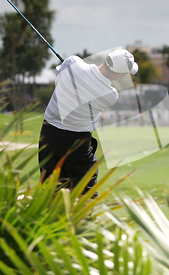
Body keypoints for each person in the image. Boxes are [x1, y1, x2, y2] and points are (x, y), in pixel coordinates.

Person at [39, 48, 138, 196]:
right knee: (85, 193)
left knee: (51, 188)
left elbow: (59, 82)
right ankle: (81, 219)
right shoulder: (111, 95)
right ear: (118, 75)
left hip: (48, 135)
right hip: (77, 143)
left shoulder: (73, 63)